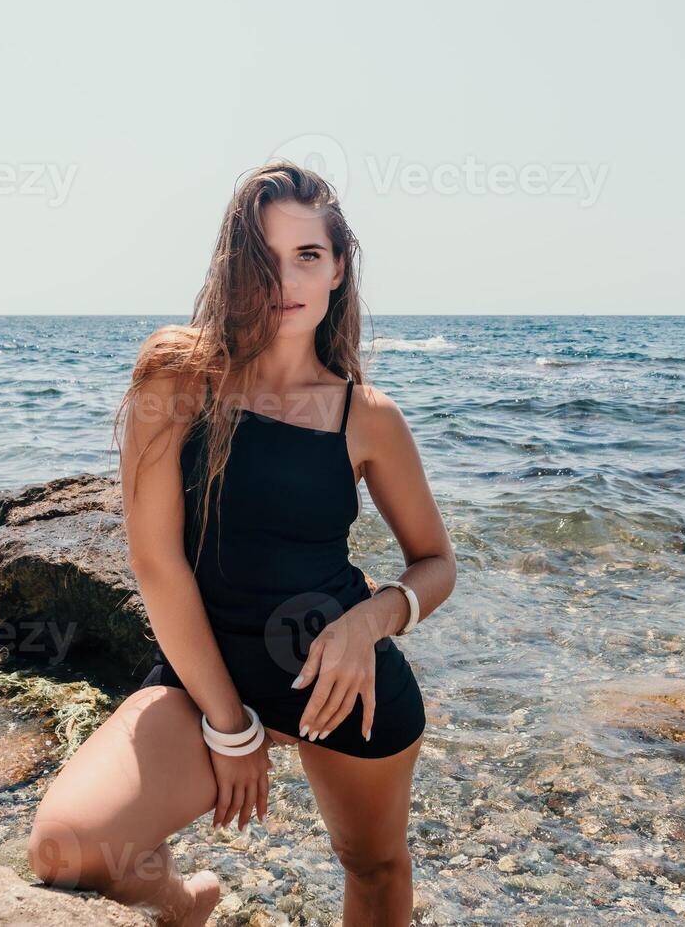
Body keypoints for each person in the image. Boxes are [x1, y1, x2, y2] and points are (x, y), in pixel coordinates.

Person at [27, 162, 457, 926]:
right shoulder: (177, 377)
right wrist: (229, 725)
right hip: (204, 679)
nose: (284, 280)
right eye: (263, 258)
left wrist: (371, 620)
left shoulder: (368, 416)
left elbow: (436, 562)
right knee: (69, 847)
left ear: (338, 268)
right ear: (234, 266)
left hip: (340, 684)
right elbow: (155, 564)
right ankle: (181, 902)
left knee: (376, 866)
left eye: (307, 256)